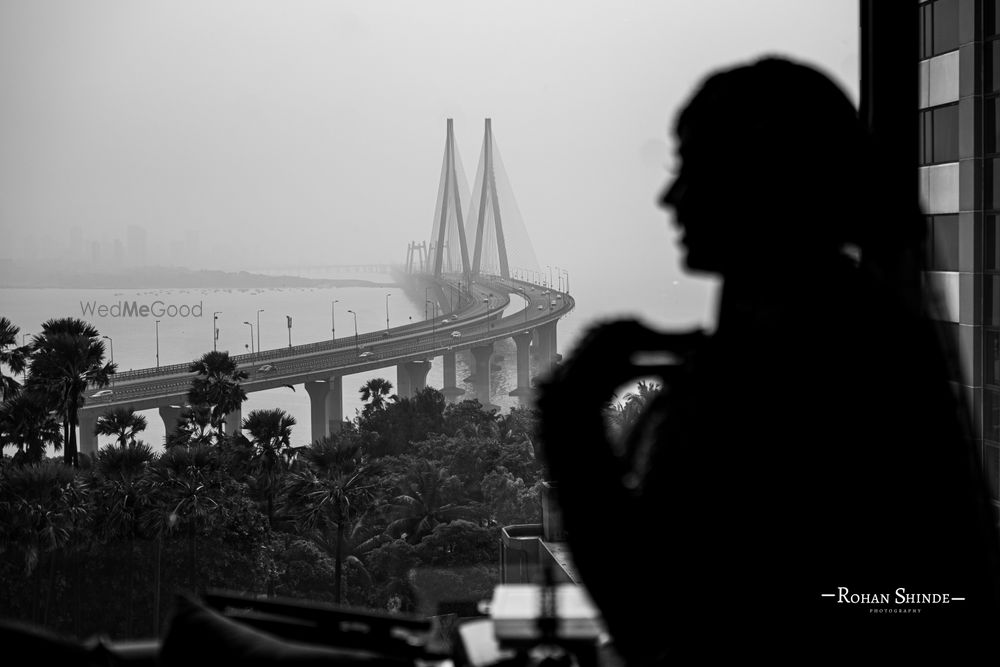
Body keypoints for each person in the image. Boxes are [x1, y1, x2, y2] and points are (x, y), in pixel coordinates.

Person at [537, 57, 1000, 663]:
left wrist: (571, 423)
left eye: (693, 167)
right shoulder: (849, 329)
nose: (670, 195)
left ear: (764, 181)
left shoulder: (813, 361)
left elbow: (657, 620)